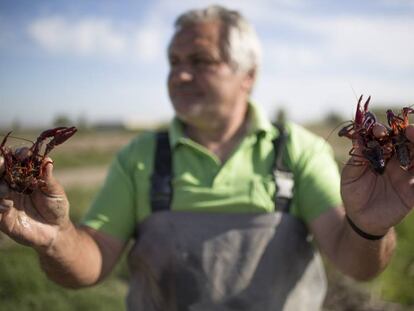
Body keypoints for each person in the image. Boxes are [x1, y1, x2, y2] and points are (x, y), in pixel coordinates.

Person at [0, 5, 412, 311]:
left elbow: (357, 265)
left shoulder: (301, 151)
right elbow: (90, 264)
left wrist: (368, 228)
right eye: (174, 63)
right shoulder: (139, 156)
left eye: (199, 61)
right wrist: (56, 239)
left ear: (247, 75)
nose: (179, 75)